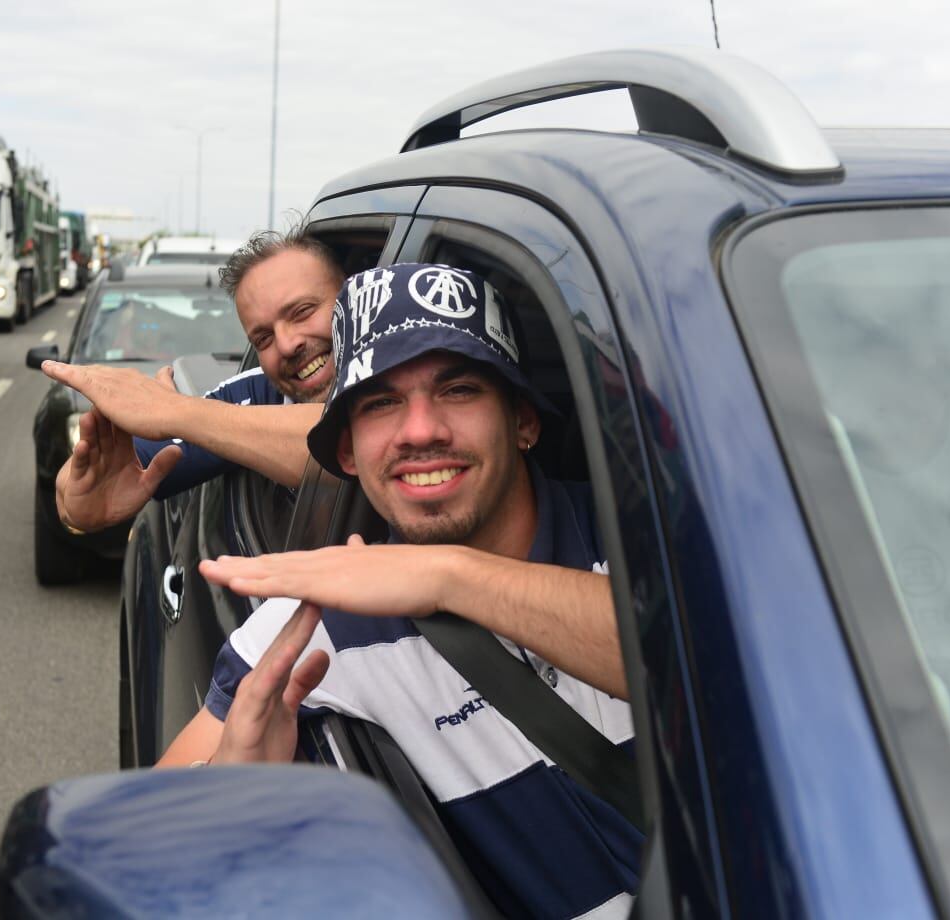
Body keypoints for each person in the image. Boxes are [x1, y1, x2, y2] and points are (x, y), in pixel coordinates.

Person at [159, 263, 640, 919]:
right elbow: (151, 842)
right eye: (381, 403)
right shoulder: (316, 620)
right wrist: (233, 793)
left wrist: (445, 577)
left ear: (524, 422)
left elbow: (704, 660)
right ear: (349, 453)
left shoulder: (646, 540)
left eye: (460, 388)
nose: (420, 431)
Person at [41, 226, 344, 534]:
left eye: (303, 312)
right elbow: (96, 478)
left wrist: (173, 411)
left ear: (354, 297)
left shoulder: (393, 372)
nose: (287, 344)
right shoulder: (256, 394)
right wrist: (78, 499)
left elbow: (345, 438)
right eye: (263, 338)